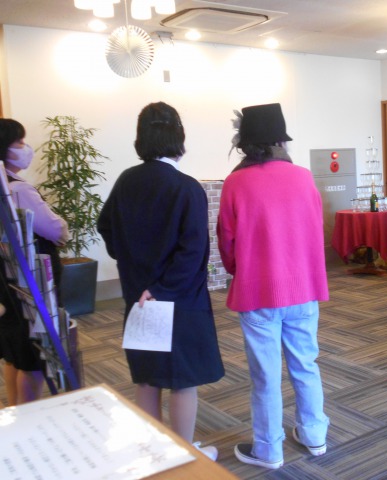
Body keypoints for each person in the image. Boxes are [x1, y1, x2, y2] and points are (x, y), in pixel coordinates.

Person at [97, 102, 224, 460]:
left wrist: (131, 265)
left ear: (140, 137)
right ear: (179, 137)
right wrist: (162, 288)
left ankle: (154, 452)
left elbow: (105, 226)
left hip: (138, 297)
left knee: (148, 378)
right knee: (182, 380)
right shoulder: (187, 188)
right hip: (180, 300)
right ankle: (183, 454)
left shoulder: (126, 180)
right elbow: (193, 250)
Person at [217, 103, 330, 470]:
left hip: (258, 292)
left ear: (245, 144)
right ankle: (314, 435)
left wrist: (239, 270)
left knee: (265, 375)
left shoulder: (235, 182)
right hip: (303, 288)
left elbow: (226, 240)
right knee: (306, 364)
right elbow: (315, 230)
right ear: (281, 141)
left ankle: (269, 449)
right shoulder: (303, 177)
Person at [0, 118, 70, 405]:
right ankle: (28, 416)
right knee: (34, 357)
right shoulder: (18, 190)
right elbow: (54, 228)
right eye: (19, 142)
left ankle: (15, 413)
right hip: (30, 279)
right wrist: (63, 229)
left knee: (14, 353)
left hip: (6, 280)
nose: (25, 147)